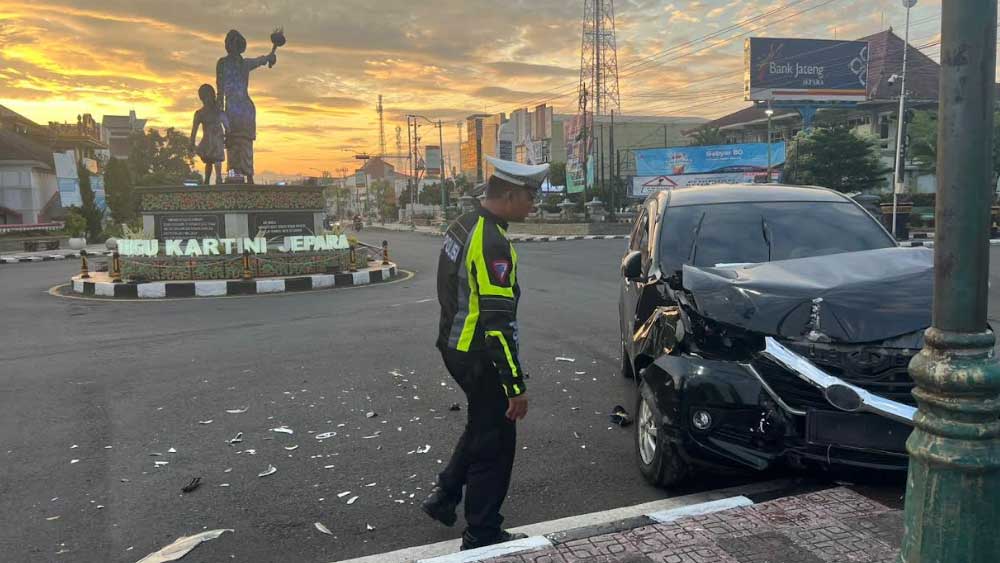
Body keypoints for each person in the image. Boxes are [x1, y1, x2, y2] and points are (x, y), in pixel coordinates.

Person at [423, 156, 549, 550]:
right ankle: (482, 532)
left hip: (454, 345)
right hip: (479, 354)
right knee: (496, 442)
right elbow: (497, 323)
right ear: (509, 196)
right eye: (530, 197)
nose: (533, 204)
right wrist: (515, 385)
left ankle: (445, 495)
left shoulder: (462, 224)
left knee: (482, 424)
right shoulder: (493, 242)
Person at [216, 29, 276, 184]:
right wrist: (269, 58)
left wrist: (269, 57)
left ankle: (246, 175)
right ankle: (240, 175)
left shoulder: (234, 63)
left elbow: (261, 60)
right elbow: (220, 91)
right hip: (237, 108)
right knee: (236, 141)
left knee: (241, 141)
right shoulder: (227, 64)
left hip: (239, 108)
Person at [189, 84, 229, 185]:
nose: (207, 100)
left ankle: (218, 178)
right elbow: (194, 130)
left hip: (218, 139)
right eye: (204, 98)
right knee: (209, 161)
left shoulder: (219, 112)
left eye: (208, 97)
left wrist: (227, 138)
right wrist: (191, 143)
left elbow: (227, 127)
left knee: (217, 159)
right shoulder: (200, 113)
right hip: (208, 140)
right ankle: (207, 180)